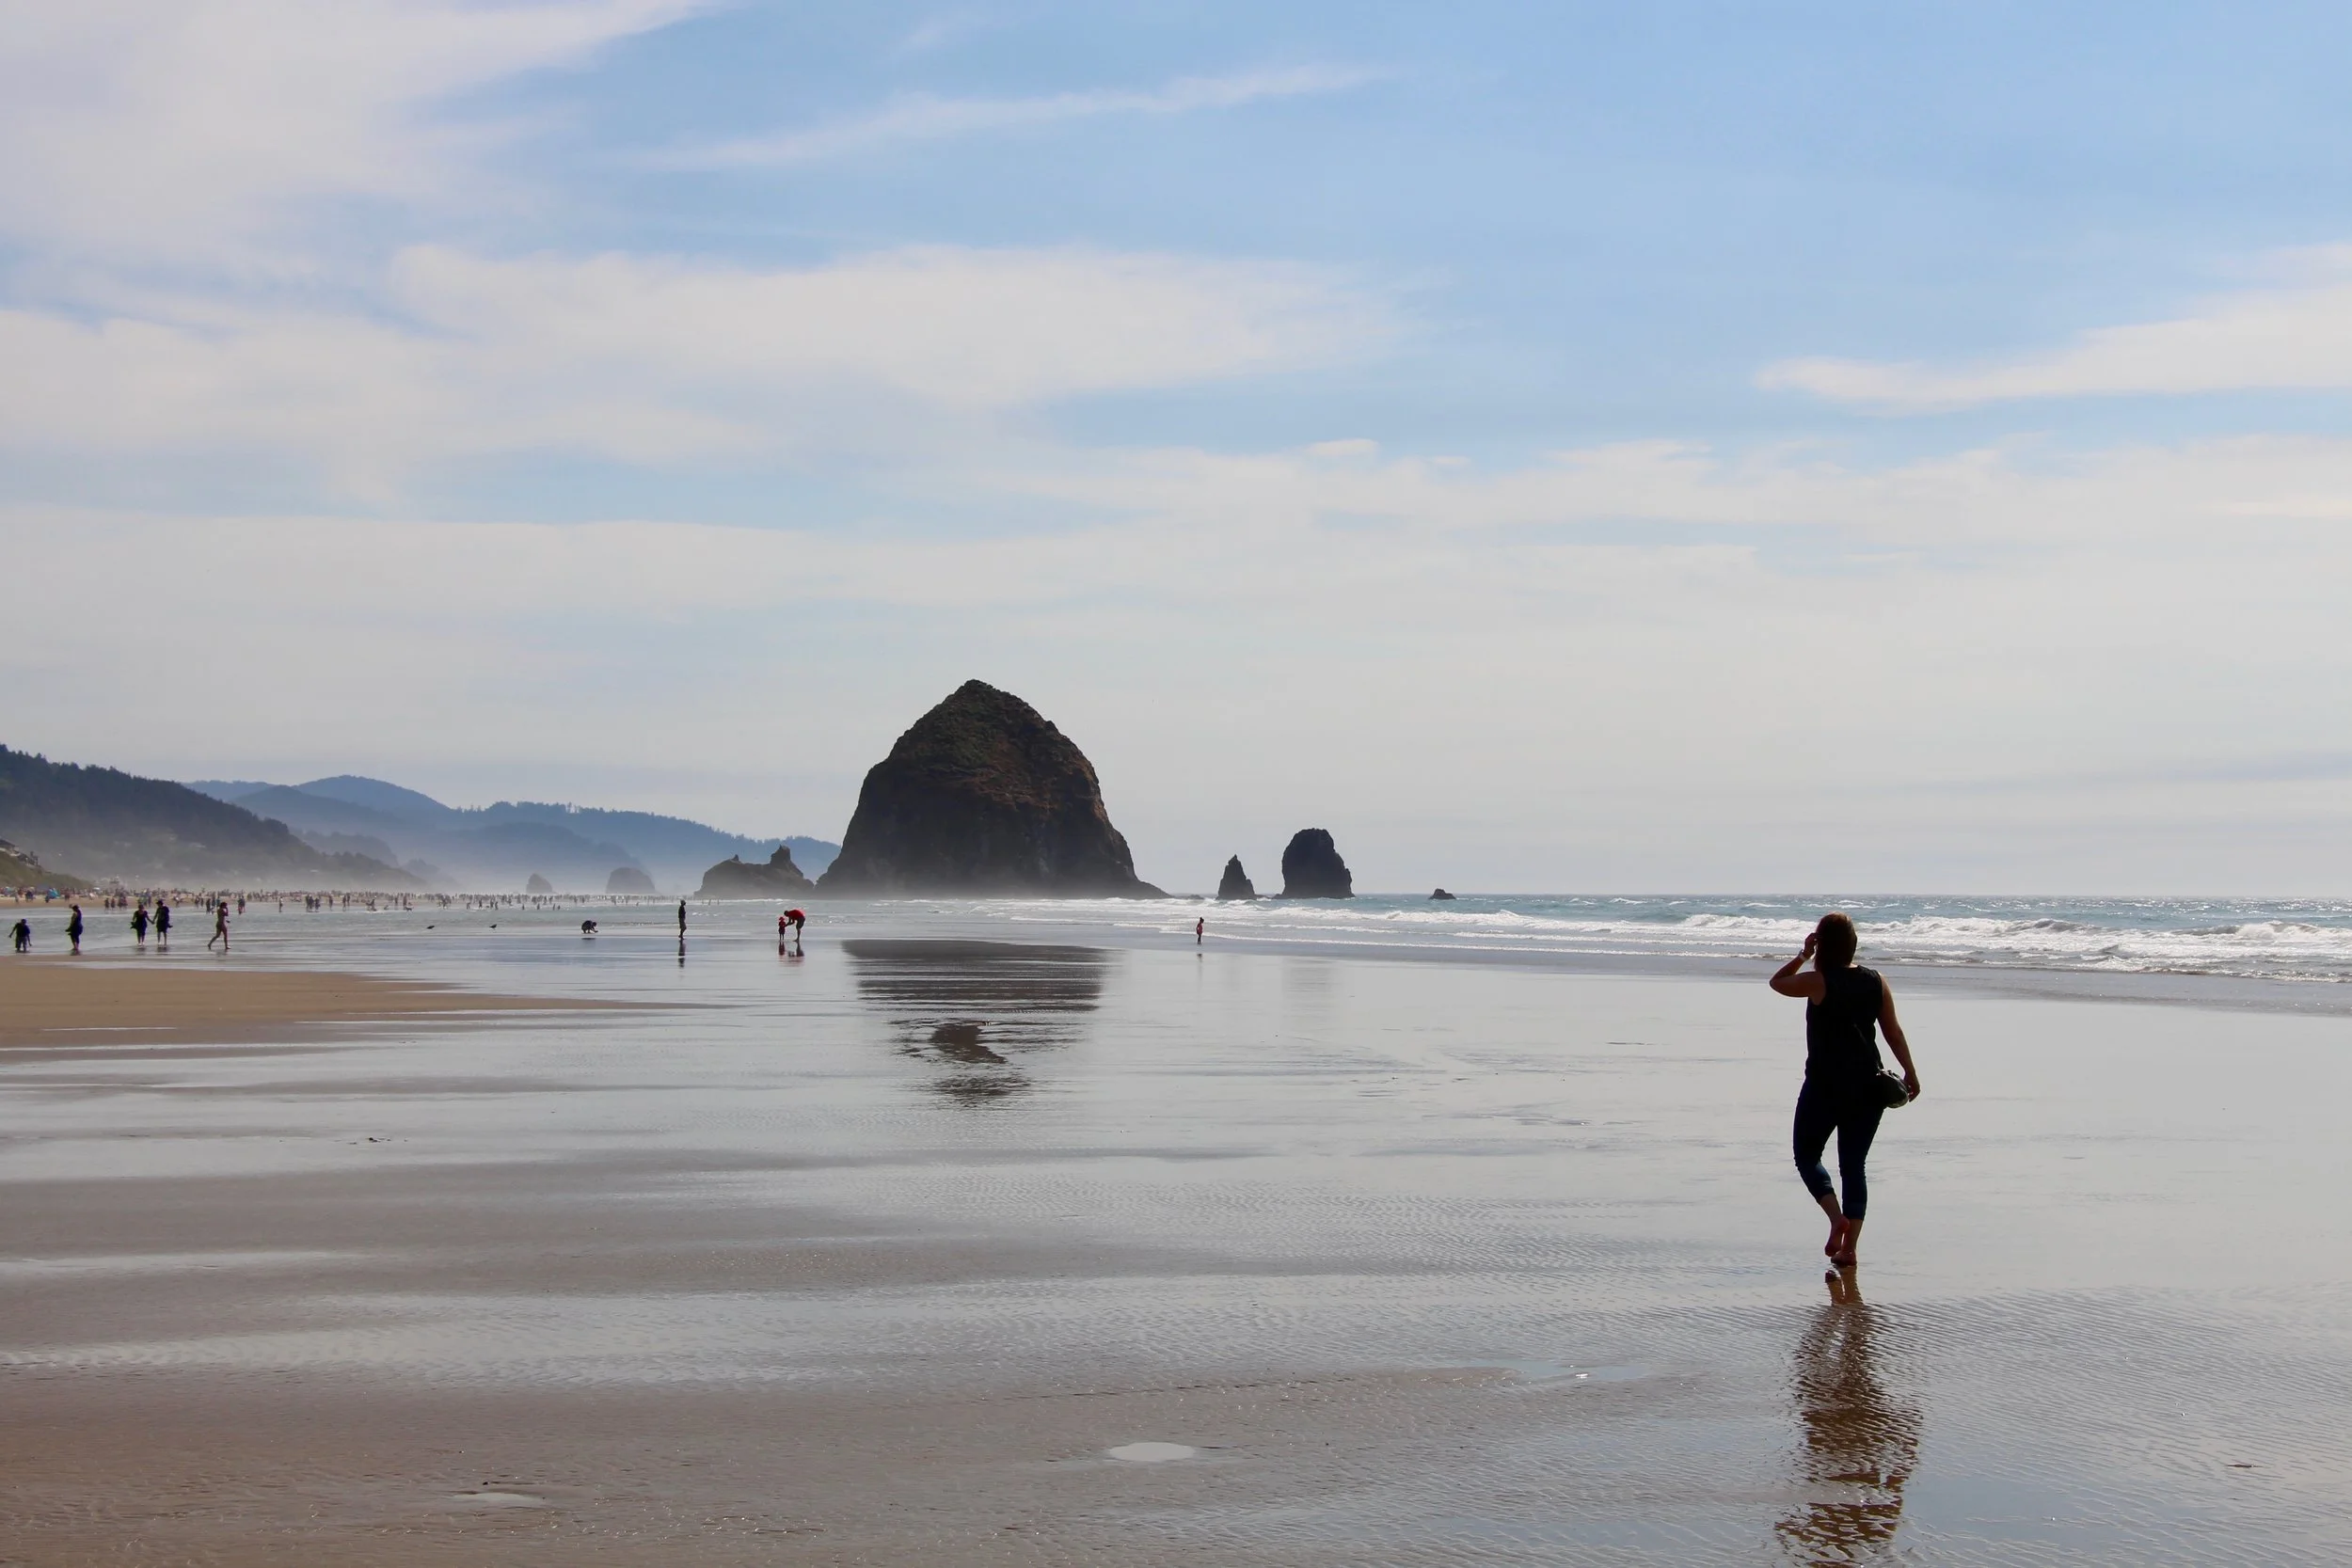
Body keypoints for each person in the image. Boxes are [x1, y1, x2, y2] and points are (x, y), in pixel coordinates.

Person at [1771, 912, 1920, 1272]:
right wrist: (1911, 1072)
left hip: (1824, 1086)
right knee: (1854, 1166)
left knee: (1807, 1156)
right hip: (1868, 1087)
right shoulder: (1875, 980)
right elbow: (1892, 1032)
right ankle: (1849, 1249)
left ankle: (1835, 1217)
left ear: (1822, 943)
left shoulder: (1818, 982)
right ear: (1853, 943)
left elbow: (1778, 982)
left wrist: (1804, 955)